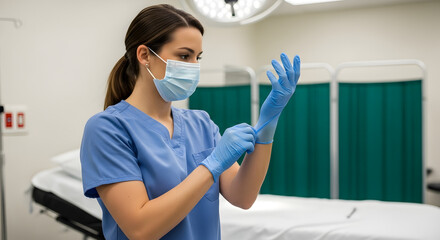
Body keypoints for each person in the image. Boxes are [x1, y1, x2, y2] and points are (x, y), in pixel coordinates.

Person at [80, 4, 300, 240]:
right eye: (184, 56)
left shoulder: (201, 123)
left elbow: (243, 197)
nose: (194, 66)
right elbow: (140, 229)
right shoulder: (107, 129)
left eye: (198, 57)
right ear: (144, 55)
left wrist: (267, 124)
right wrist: (212, 165)